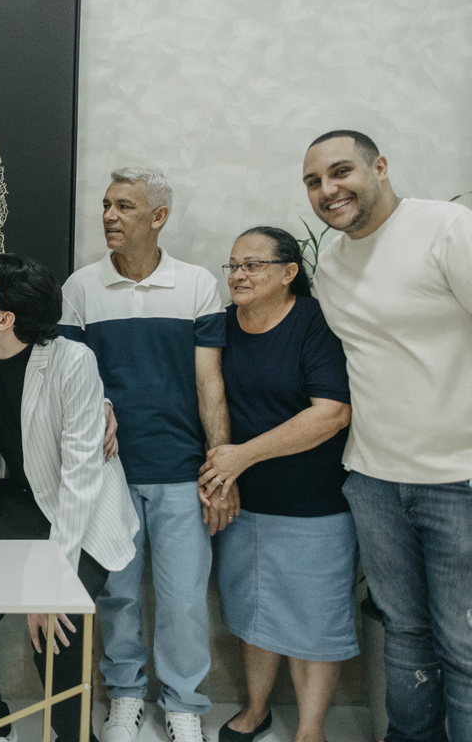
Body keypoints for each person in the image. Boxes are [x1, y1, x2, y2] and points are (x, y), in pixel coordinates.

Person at [303, 130, 472, 742]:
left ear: (379, 166)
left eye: (341, 171)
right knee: (404, 633)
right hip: (373, 480)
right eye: (314, 182)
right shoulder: (332, 265)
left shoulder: (447, 229)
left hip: (458, 480)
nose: (328, 189)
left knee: (465, 645)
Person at [0, 254, 139, 742]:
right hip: (18, 499)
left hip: (83, 509)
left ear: (5, 318)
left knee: (58, 624)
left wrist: (51, 585)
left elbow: (80, 478)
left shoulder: (73, 361)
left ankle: (72, 736)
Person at [60, 166, 231, 742]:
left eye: (124, 206)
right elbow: (71, 381)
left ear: (159, 217)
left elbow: (209, 382)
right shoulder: (80, 288)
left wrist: (219, 466)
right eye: (106, 205)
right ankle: (126, 696)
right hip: (107, 472)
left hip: (181, 469)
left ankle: (184, 705)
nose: (109, 216)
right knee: (117, 595)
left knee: (184, 598)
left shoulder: (197, 284)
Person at [199, 227, 355, 742]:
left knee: (315, 622)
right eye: (233, 266)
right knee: (254, 611)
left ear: (289, 273)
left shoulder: (314, 322)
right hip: (244, 505)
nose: (239, 275)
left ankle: (310, 729)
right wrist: (224, 475)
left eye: (253, 265)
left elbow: (331, 413)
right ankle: (256, 708)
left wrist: (241, 456)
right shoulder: (222, 325)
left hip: (313, 506)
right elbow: (208, 395)